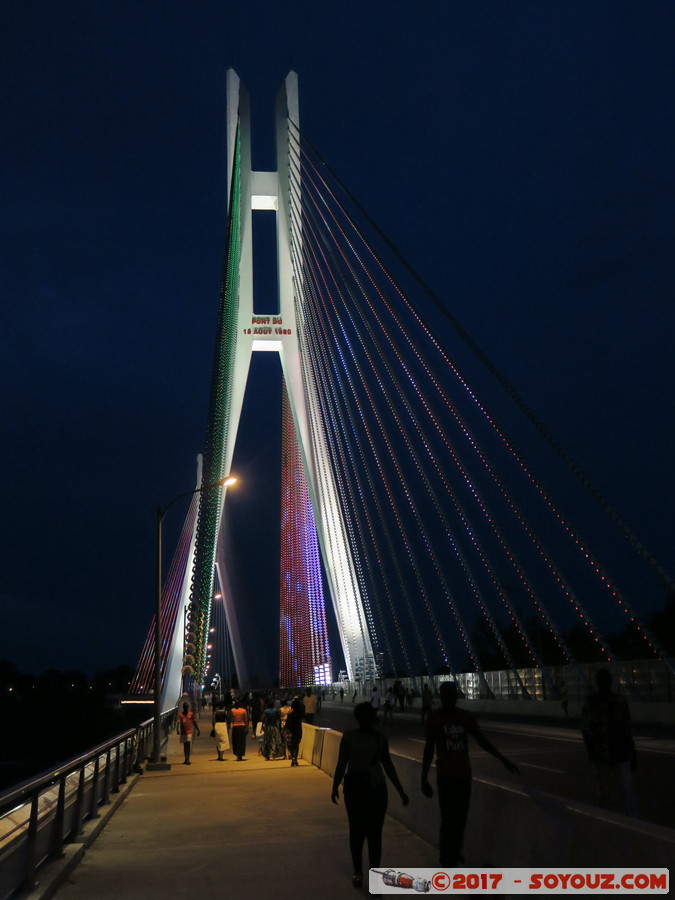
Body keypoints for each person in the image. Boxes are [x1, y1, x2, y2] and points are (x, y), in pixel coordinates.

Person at [421, 681, 519, 866]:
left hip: (464, 775)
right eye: (447, 694)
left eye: (453, 694)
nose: (450, 698)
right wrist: (423, 777)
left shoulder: (465, 717)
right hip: (445, 776)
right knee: (448, 818)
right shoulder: (435, 718)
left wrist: (502, 759)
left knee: (460, 818)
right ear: (441, 697)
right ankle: (447, 857)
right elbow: (429, 748)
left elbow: (482, 740)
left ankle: (455, 852)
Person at [332, 702, 409, 889]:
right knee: (358, 833)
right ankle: (358, 871)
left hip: (373, 789)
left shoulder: (378, 738)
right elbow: (342, 763)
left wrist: (400, 789)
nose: (369, 719)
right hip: (361, 789)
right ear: (360, 718)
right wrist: (335, 785)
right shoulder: (351, 737)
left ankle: (373, 876)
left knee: (373, 835)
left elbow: (388, 766)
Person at [581, 668, 638, 816]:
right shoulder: (618, 701)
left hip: (606, 753)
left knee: (608, 793)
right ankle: (630, 823)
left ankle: (609, 823)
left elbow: (586, 729)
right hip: (616, 752)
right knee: (624, 792)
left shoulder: (592, 702)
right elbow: (627, 728)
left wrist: (591, 751)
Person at [177, 701, 200, 765]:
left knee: (188, 744)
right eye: (185, 707)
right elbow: (178, 722)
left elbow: (194, 722)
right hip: (183, 732)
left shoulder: (191, 714)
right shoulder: (180, 715)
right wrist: (177, 729)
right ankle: (186, 758)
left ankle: (188, 759)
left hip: (189, 732)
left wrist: (198, 730)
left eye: (187, 707)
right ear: (183, 708)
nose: (186, 708)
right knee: (185, 746)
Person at [285, 697, 304, 766]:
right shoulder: (299, 714)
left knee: (290, 745)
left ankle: (293, 757)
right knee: (296, 745)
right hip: (298, 730)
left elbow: (287, 723)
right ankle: (294, 758)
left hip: (290, 731)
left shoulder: (290, 713)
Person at [230, 697, 248, 761]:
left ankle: (237, 754)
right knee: (242, 741)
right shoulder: (244, 710)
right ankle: (241, 754)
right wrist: (246, 727)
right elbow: (246, 720)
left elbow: (232, 719)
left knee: (236, 741)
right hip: (242, 726)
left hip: (235, 726)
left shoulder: (232, 710)